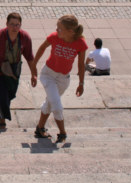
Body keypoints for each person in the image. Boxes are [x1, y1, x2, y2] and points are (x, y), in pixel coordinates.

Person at [31, 15, 88, 143]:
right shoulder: (54, 37)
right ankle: (62, 133)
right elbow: (42, 47)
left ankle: (40, 128)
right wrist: (33, 65)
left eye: (60, 28)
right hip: (48, 75)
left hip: (64, 79)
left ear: (70, 31)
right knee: (56, 104)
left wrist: (81, 83)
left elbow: (80, 64)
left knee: (50, 102)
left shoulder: (80, 43)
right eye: (57, 27)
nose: (57, 30)